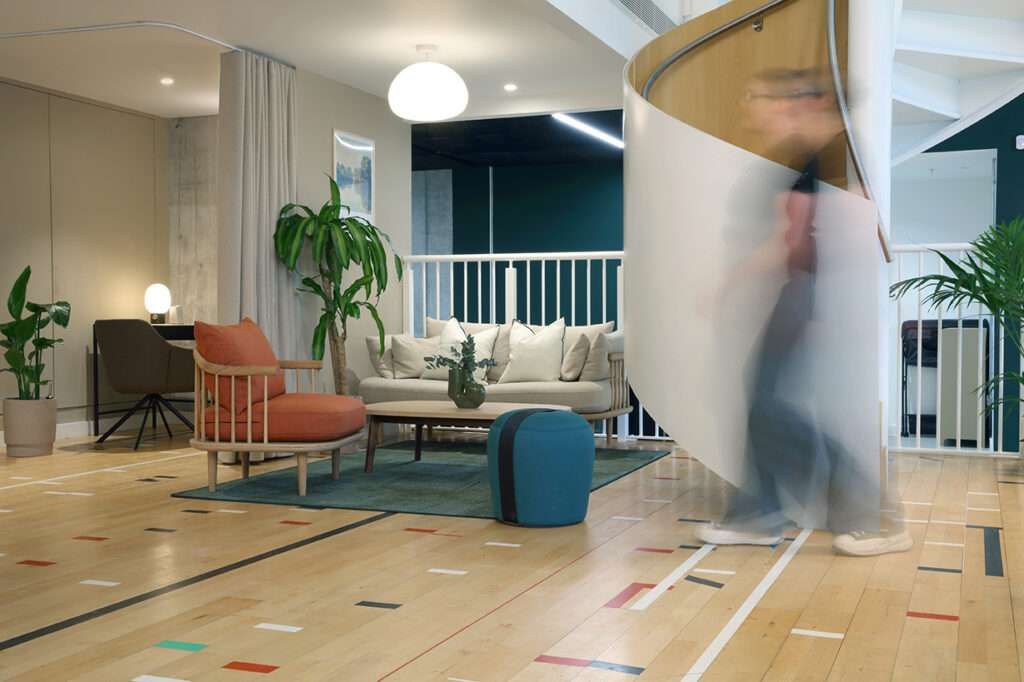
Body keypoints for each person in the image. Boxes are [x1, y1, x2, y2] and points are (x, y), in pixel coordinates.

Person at [696, 68, 910, 557]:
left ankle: (875, 515)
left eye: (758, 97)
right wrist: (728, 288)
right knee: (762, 405)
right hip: (798, 293)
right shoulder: (806, 158)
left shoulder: (831, 154)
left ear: (802, 102)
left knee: (767, 407)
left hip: (804, 295)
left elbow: (821, 237)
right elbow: (787, 240)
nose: (751, 108)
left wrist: (831, 307)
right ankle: (759, 513)